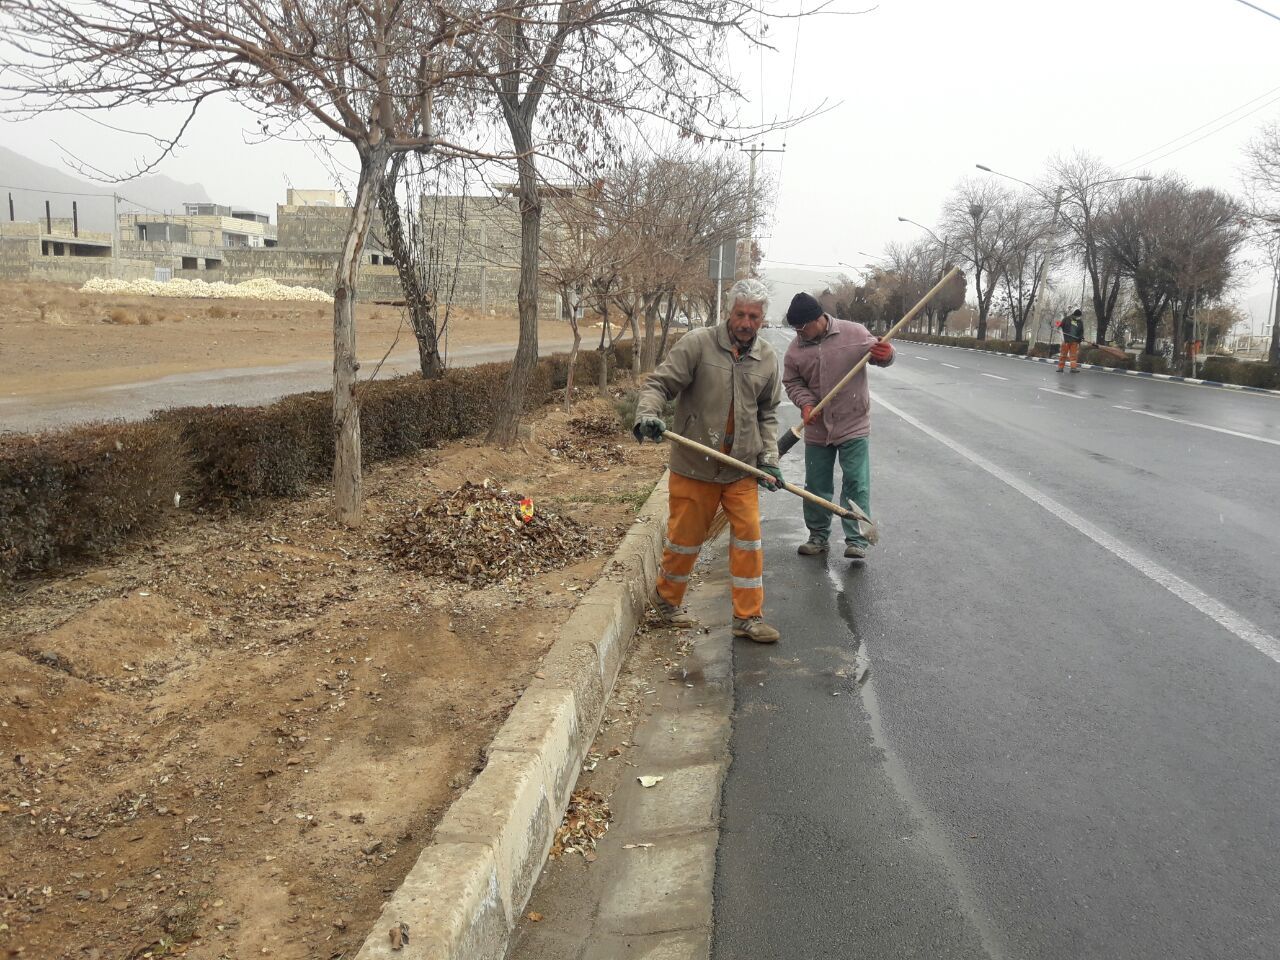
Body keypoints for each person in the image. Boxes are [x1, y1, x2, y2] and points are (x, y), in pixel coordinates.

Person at [633, 278, 784, 644]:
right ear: (728, 312)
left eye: (754, 316)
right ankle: (665, 604)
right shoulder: (698, 345)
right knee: (685, 540)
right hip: (695, 465)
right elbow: (659, 385)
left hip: (740, 470)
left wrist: (769, 458)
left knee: (749, 539)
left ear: (762, 319)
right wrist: (647, 414)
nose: (746, 322)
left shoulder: (766, 359)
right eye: (740, 314)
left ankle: (747, 618)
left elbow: (768, 414)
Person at [782, 291, 894, 561]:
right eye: (795, 328)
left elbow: (880, 356)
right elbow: (792, 382)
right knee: (816, 485)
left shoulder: (854, 333)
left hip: (853, 422)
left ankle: (856, 540)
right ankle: (818, 536)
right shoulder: (796, 349)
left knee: (856, 482)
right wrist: (806, 404)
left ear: (818, 318)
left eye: (802, 327)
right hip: (818, 428)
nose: (799, 332)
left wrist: (885, 354)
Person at [1057, 308, 1085, 372]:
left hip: (1074, 341)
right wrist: (1060, 330)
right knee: (1063, 355)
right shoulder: (1066, 319)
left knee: (1073, 356)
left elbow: (1081, 331)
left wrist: (1081, 337)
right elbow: (1060, 327)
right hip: (1066, 340)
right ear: (1075, 315)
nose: (1079, 317)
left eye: (1079, 317)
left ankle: (1073, 368)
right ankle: (1060, 368)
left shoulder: (1080, 322)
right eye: (1078, 316)